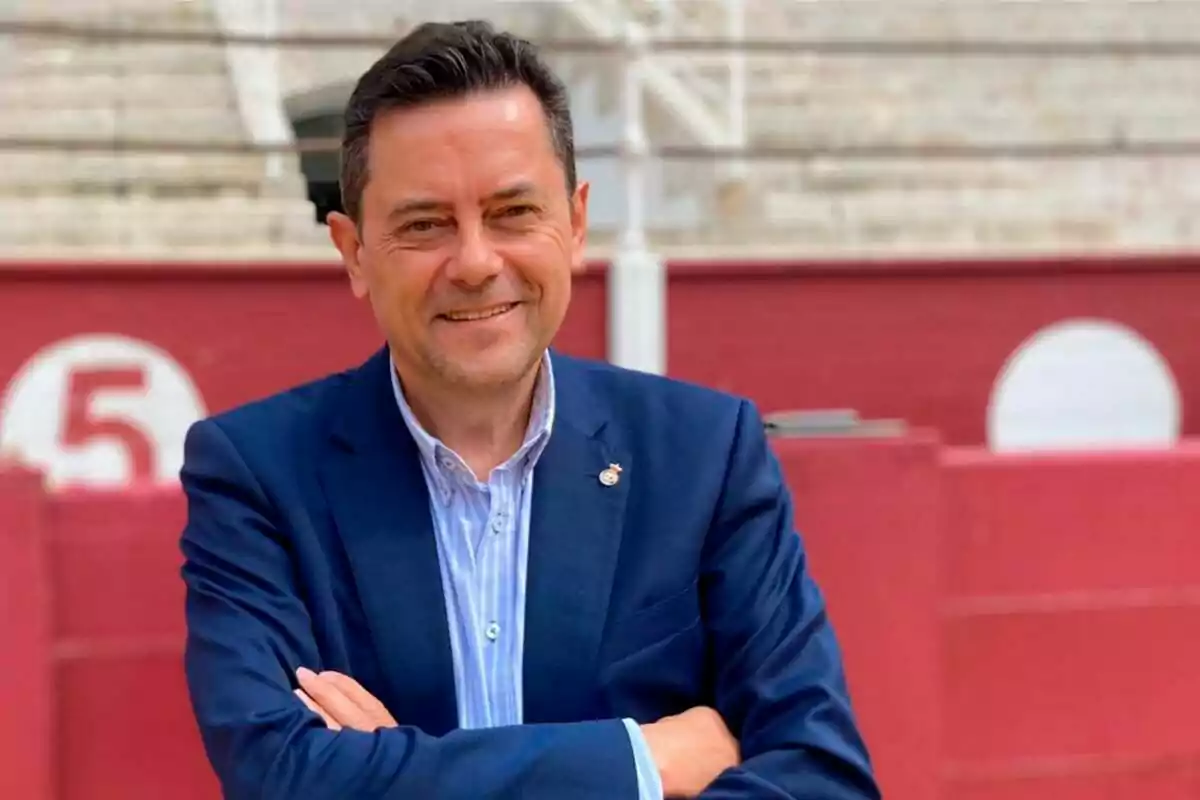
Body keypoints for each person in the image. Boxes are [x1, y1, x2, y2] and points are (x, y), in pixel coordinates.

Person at [179, 19, 879, 800]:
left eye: (513, 213)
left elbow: (823, 780)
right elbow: (283, 778)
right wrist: (644, 761)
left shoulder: (705, 455)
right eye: (425, 225)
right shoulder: (255, 474)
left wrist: (390, 775)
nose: (476, 262)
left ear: (575, 224)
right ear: (354, 253)